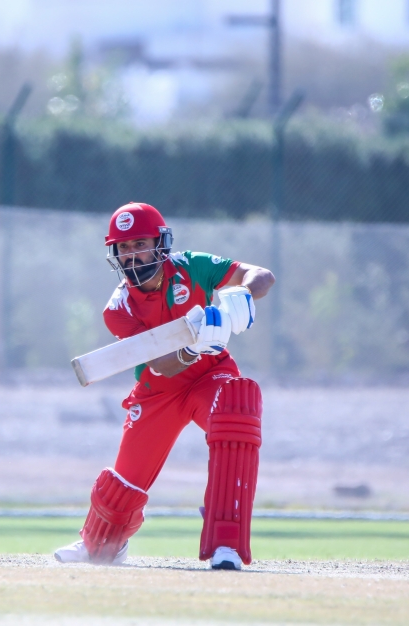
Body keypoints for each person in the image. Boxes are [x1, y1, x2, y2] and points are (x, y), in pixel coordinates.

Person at [54, 202, 275, 569]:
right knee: (125, 481)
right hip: (159, 388)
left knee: (235, 413)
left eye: (139, 244)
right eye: (123, 248)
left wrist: (242, 297)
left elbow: (262, 275)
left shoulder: (193, 266)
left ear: (160, 243)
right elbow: (159, 363)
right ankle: (101, 544)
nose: (131, 255)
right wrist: (192, 348)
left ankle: (227, 546)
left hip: (210, 375)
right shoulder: (119, 307)